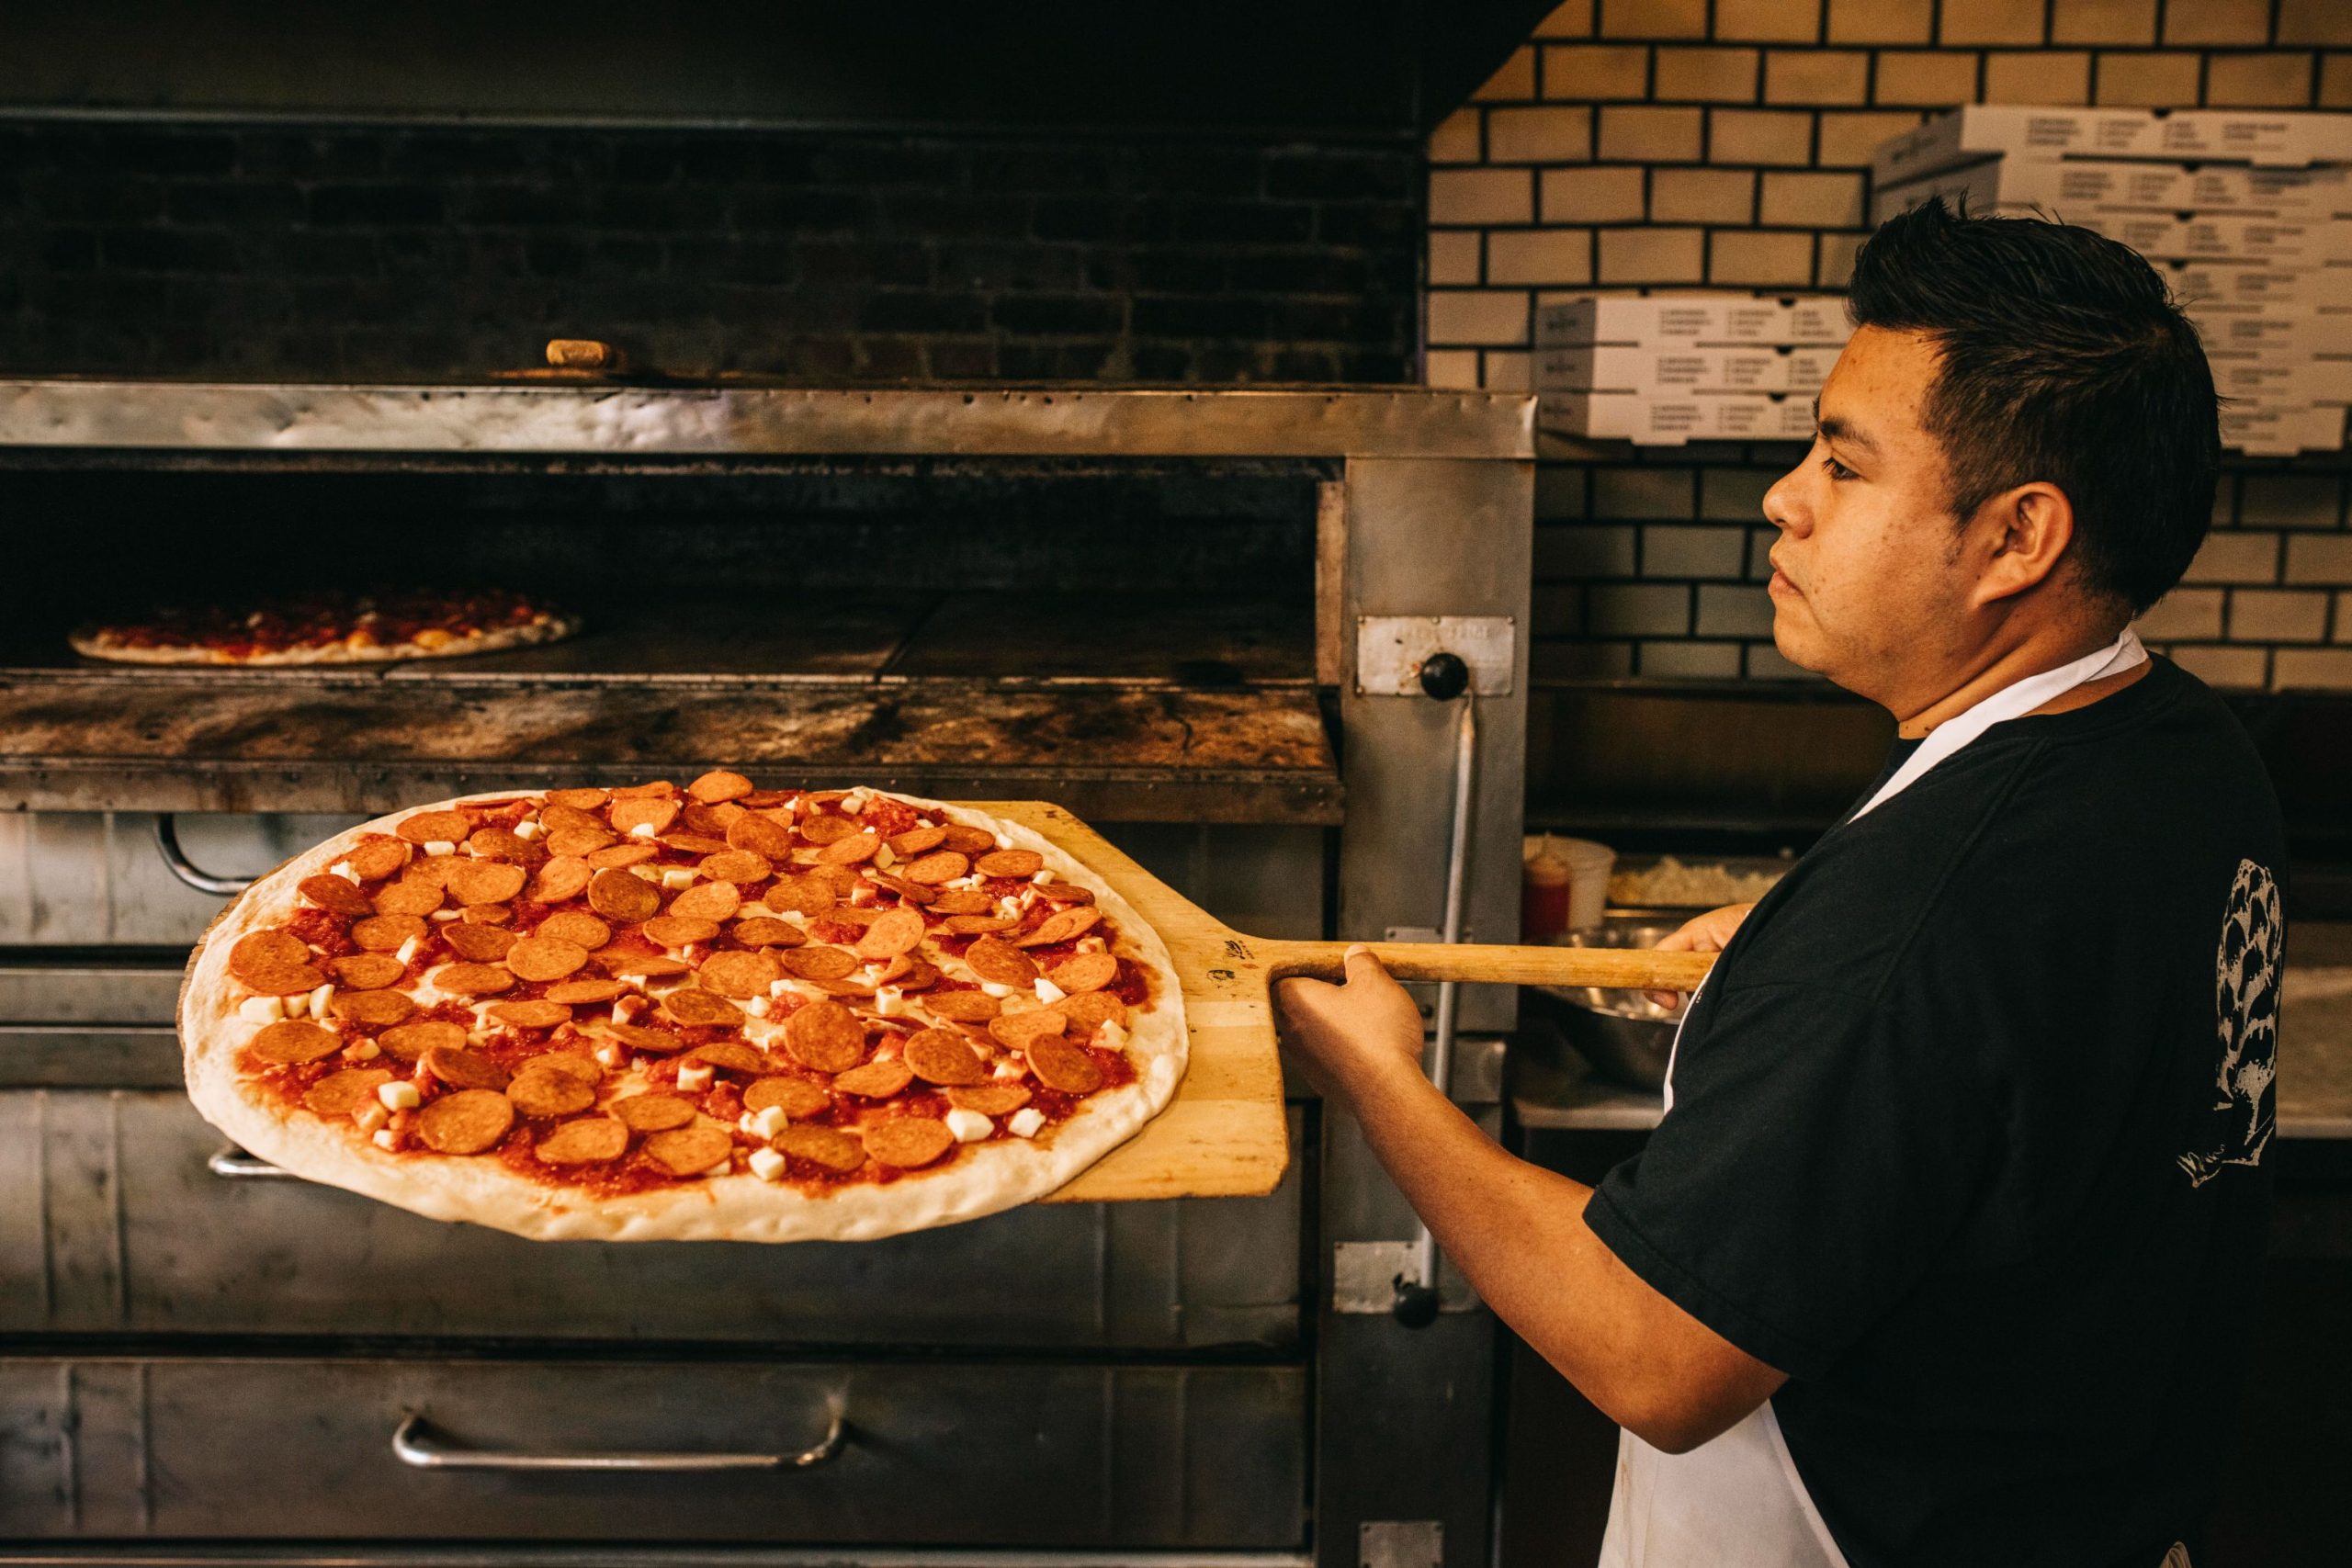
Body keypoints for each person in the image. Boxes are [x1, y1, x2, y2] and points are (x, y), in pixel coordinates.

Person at [1277, 197, 2284, 1568]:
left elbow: (1655, 1352)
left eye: (1845, 465)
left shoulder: (1920, 916)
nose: (1785, 495)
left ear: (2016, 539)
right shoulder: (2175, 747)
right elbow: (2026, 998)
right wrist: (1800, 937)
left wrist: (1382, 1083)